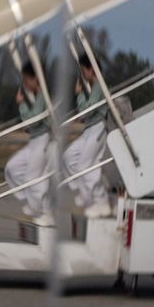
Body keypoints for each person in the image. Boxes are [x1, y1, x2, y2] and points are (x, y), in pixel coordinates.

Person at [64, 53, 111, 219]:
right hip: (89, 129)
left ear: (91, 70)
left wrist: (79, 94)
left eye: (83, 71)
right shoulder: (91, 86)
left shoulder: (98, 85)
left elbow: (87, 110)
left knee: (85, 165)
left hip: (98, 129)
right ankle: (86, 193)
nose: (82, 75)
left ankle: (101, 201)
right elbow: (85, 112)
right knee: (69, 157)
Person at [5, 63, 51, 219]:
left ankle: (44, 210)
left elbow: (33, 121)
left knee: (33, 178)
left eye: (26, 80)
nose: (24, 84)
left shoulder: (42, 96)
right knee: (12, 168)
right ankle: (34, 203)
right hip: (34, 141)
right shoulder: (34, 96)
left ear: (36, 79)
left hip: (44, 140)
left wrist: (22, 105)